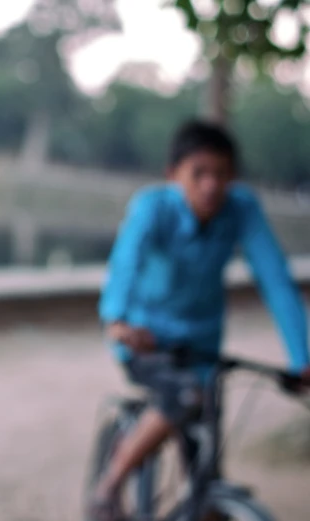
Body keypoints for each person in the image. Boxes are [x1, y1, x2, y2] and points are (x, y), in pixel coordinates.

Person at [91, 120, 310, 520]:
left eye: (221, 174)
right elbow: (125, 264)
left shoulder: (242, 208)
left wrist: (303, 357)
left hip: (203, 347)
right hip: (144, 339)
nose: (211, 185)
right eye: (199, 173)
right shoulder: (152, 207)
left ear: (233, 176)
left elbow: (275, 279)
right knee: (184, 398)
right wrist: (118, 321)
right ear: (173, 174)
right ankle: (109, 486)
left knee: (206, 471)